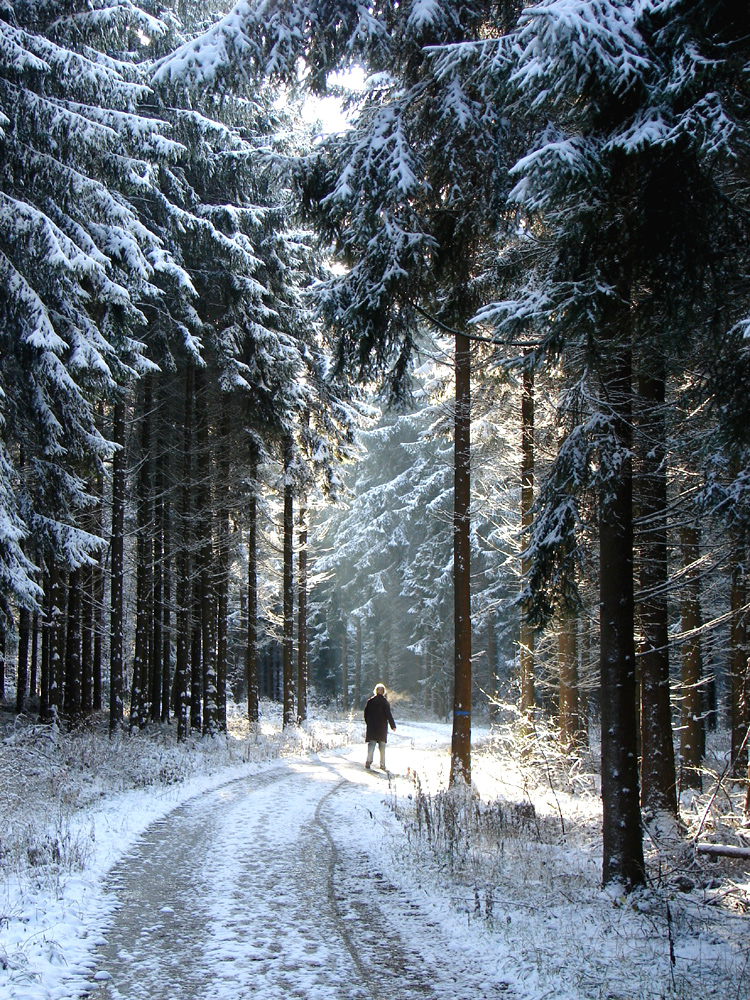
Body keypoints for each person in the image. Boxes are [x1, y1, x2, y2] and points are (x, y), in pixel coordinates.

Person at [363, 683, 396, 771]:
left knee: (371, 745)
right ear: (384, 692)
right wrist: (393, 726)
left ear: (376, 691)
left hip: (372, 727)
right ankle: (382, 764)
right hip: (382, 728)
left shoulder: (370, 701)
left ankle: (368, 761)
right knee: (382, 746)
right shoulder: (385, 703)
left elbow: (366, 714)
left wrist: (368, 723)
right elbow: (388, 715)